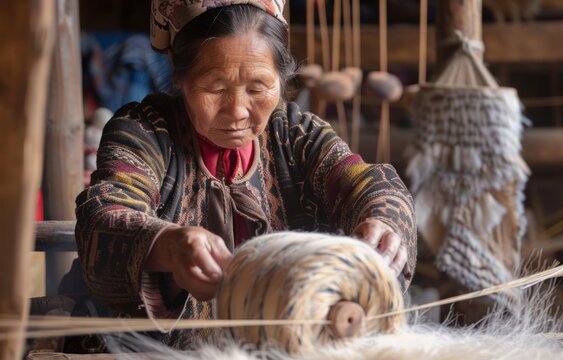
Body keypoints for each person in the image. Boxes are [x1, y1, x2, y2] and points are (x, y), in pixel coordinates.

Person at [72, 0, 416, 349]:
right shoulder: (144, 132)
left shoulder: (296, 133)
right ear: (178, 72)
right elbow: (106, 215)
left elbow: (364, 183)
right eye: (215, 88)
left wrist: (383, 221)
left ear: (281, 79)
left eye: (257, 88)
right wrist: (168, 246)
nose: (237, 111)